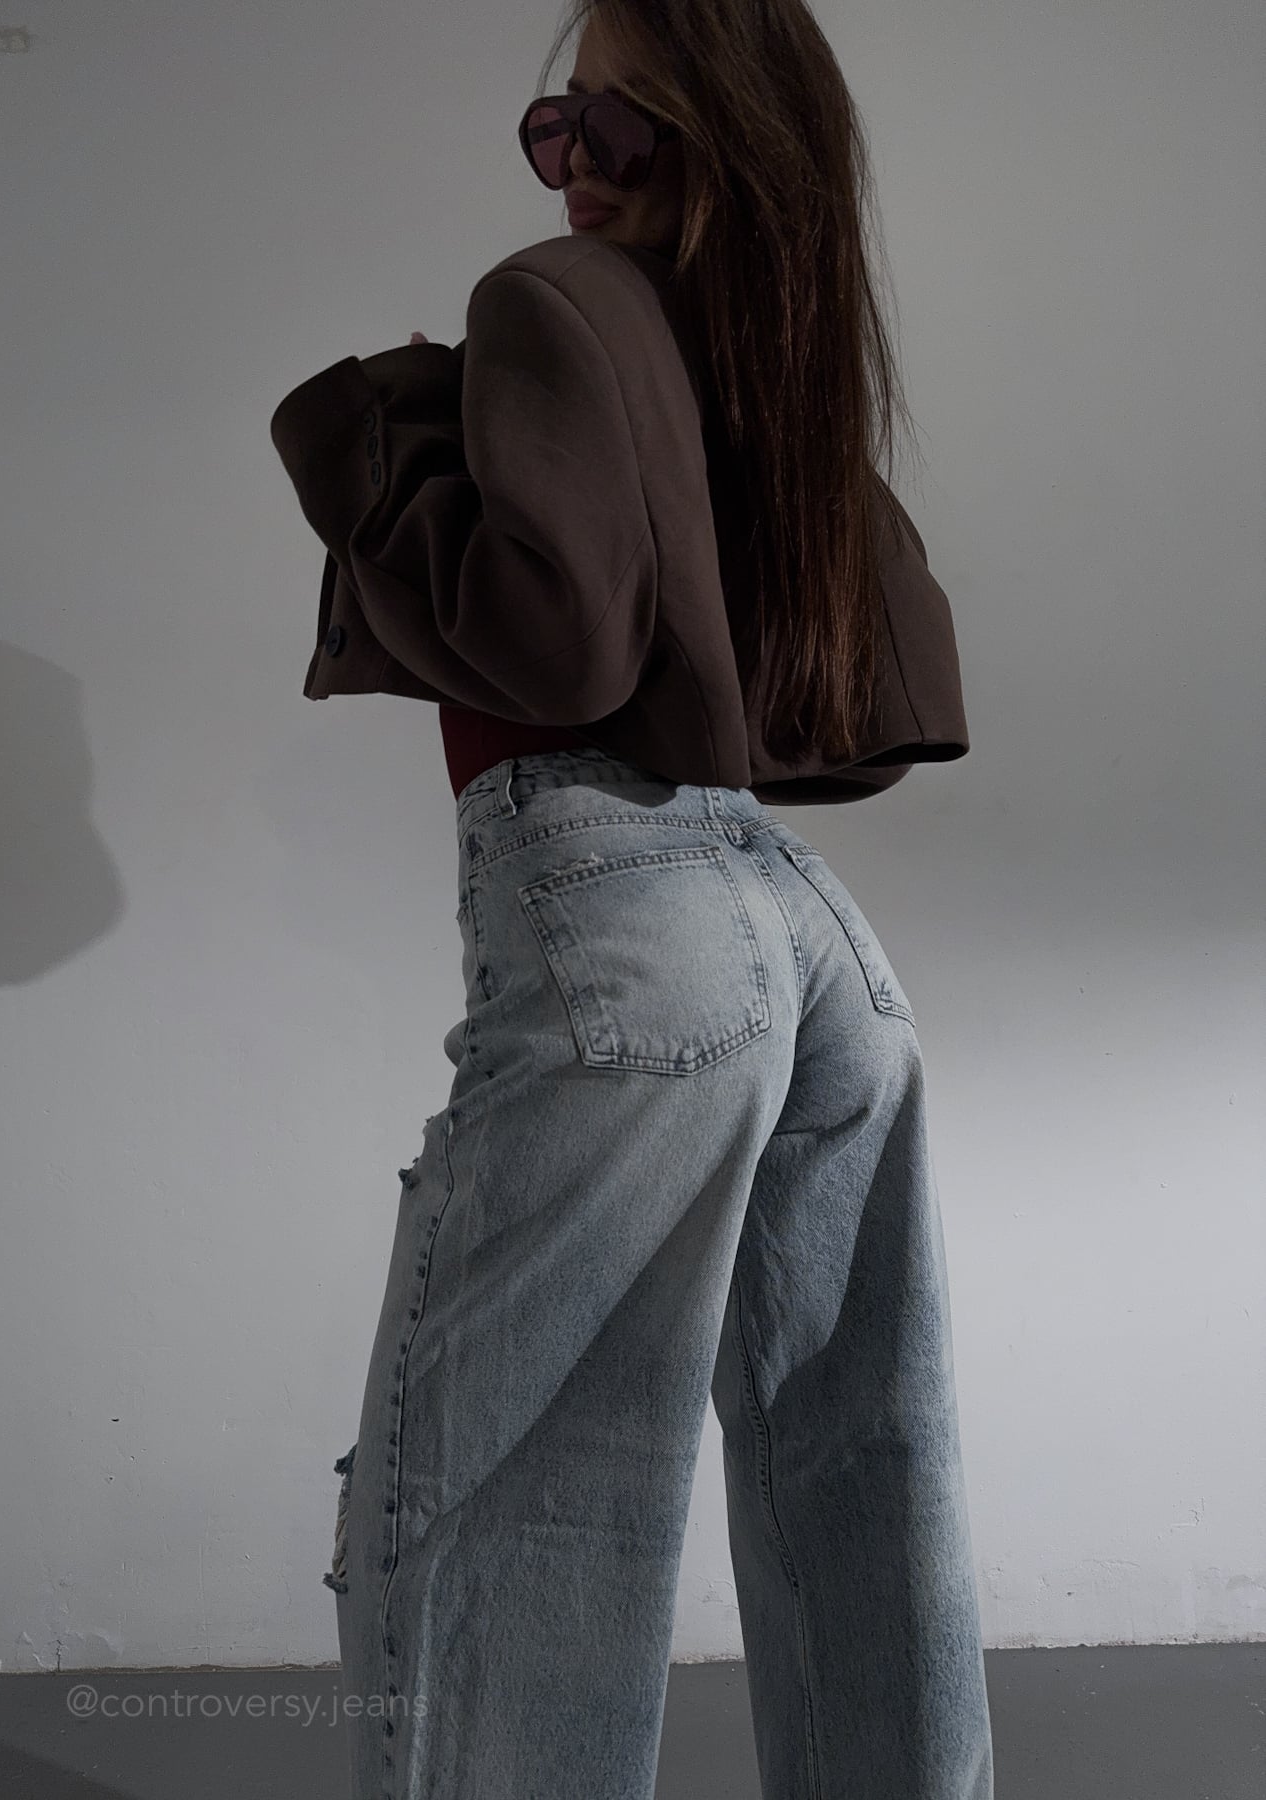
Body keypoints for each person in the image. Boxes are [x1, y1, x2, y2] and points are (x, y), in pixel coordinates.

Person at [277, 4, 995, 1795]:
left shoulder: (555, 302)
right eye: (558, 126)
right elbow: (877, 669)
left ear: (723, 146)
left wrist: (358, 454)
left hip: (620, 926)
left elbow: (552, 636)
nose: (574, 168)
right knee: (860, 1467)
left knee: (507, 1491)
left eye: (621, 129)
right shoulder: (773, 345)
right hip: (808, 942)